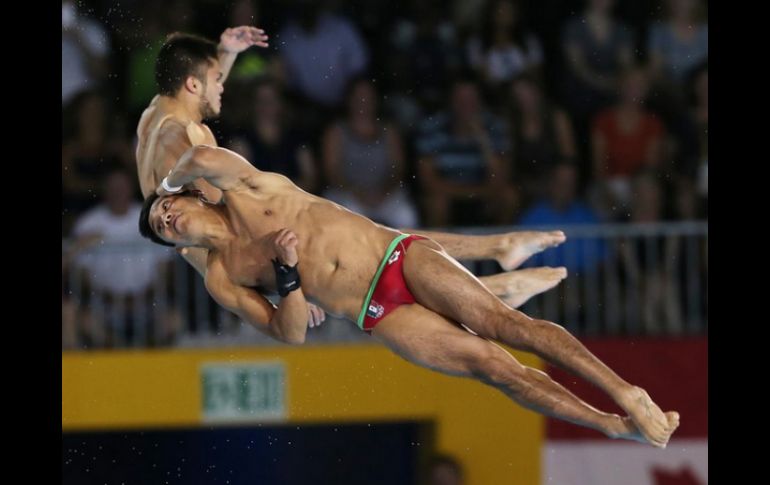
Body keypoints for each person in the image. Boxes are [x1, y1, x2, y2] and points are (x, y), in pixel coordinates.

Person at [140, 144, 679, 447]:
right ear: (173, 243)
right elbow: (292, 331)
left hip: (395, 256)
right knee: (497, 369)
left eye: (165, 209)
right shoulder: (222, 277)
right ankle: (614, 426)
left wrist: (162, 186)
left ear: (186, 196)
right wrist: (287, 276)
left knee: (503, 326)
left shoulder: (246, 186)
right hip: (377, 312)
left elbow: (202, 153)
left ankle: (627, 391)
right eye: (161, 228)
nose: (166, 219)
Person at [134, 30, 569, 316]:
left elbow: (199, 92)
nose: (223, 84)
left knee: (383, 254)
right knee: (375, 262)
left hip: (221, 249)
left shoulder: (155, 117)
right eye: (217, 78)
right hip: (246, 252)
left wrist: (225, 53)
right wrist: (281, 286)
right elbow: (207, 232)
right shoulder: (188, 142)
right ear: (194, 84)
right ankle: (493, 277)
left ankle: (496, 265)